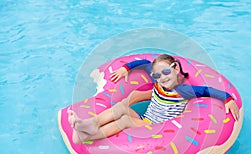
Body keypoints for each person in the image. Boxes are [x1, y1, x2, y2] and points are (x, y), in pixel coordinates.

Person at [68, 54, 239, 144]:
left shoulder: (184, 91)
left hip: (156, 128)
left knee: (125, 120)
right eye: (157, 75)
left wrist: (228, 99)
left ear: (175, 70)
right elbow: (143, 62)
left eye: (166, 73)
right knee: (121, 107)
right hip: (145, 120)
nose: (162, 78)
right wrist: (126, 69)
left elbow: (207, 90)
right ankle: (90, 123)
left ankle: (87, 136)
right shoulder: (157, 81)